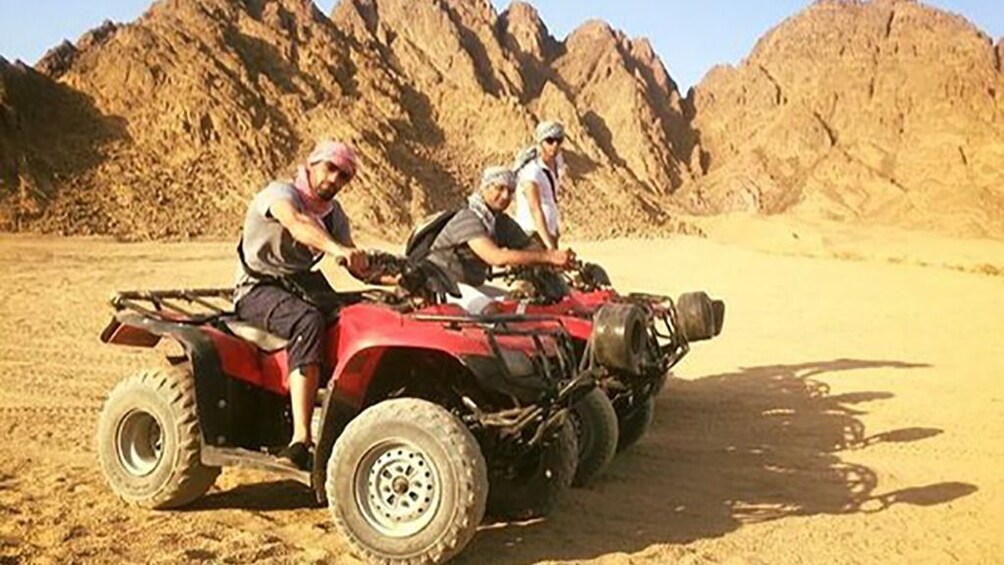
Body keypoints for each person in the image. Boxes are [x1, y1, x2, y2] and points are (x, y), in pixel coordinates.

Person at [233, 139, 369, 470]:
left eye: (343, 177)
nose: (334, 180)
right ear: (311, 164)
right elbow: (296, 223)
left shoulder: (334, 216)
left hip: (298, 286)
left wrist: (401, 277)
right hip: (257, 288)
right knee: (306, 322)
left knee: (359, 316)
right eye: (330, 168)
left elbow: (356, 262)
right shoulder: (280, 194)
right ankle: (301, 439)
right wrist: (336, 250)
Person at [426, 166, 576, 313]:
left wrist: (554, 260)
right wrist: (548, 257)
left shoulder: (500, 222)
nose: (505, 196)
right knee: (492, 311)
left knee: (520, 304)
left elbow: (531, 246)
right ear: (485, 187)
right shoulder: (467, 217)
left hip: (471, 285)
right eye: (500, 188)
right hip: (444, 286)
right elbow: (495, 257)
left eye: (510, 192)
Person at [513, 120, 565, 250]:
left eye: (559, 141)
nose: (554, 145)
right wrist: (549, 245)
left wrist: (554, 231)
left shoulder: (554, 168)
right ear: (540, 142)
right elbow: (535, 208)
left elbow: (550, 202)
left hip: (547, 235)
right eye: (549, 140)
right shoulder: (532, 171)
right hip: (532, 235)